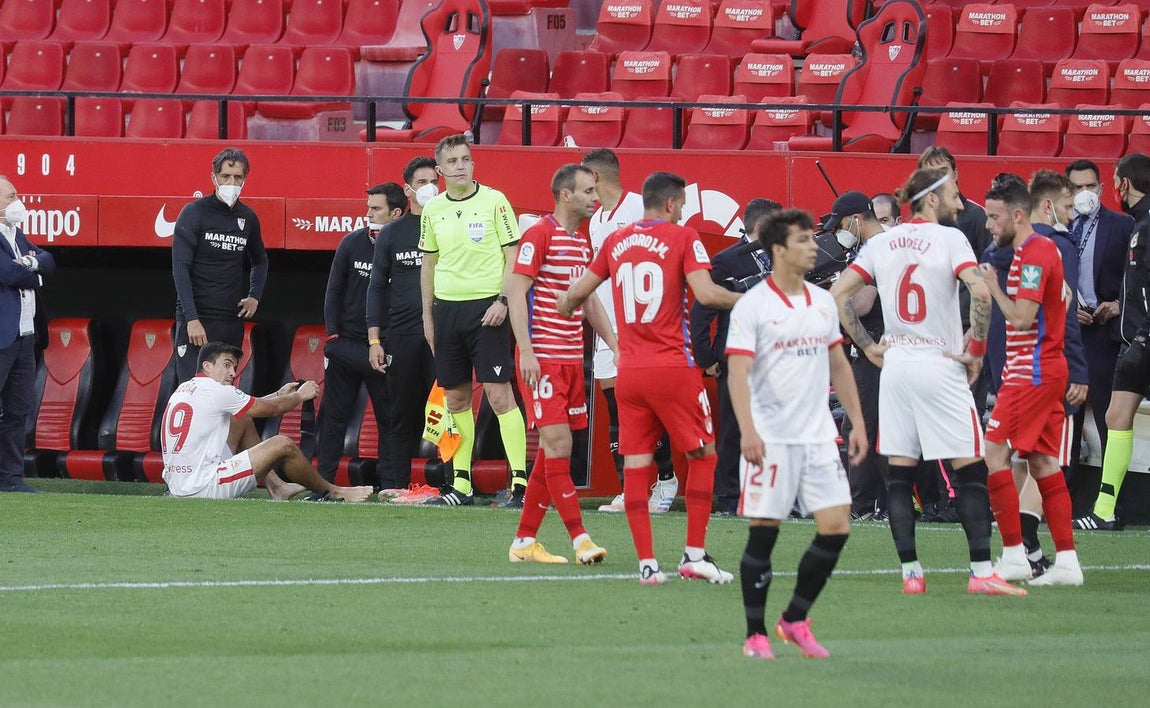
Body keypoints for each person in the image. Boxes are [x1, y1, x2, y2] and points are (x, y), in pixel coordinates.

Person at [830, 167, 1026, 597]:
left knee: (899, 475)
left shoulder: (881, 242)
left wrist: (867, 346)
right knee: (970, 470)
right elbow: (980, 291)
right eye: (954, 193)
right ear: (932, 199)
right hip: (939, 362)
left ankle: (911, 574)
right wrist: (976, 351)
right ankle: (981, 572)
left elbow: (838, 294)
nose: (960, 202)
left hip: (897, 366)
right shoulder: (950, 239)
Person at [560, 171, 742, 585]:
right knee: (703, 455)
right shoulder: (683, 237)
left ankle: (647, 565)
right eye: (681, 207)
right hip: (672, 367)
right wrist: (752, 299)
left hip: (629, 370)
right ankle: (694, 555)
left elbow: (577, 294)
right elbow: (707, 294)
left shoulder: (615, 240)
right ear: (672, 204)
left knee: (637, 465)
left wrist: (564, 305)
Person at [727, 208, 867, 660]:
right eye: (803, 240)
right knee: (764, 533)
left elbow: (838, 364)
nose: (813, 247)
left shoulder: (822, 301)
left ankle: (794, 618)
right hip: (771, 438)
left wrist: (857, 422)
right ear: (779, 250)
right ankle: (755, 634)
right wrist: (748, 431)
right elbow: (738, 373)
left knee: (837, 527)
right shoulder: (753, 306)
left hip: (818, 437)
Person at [980, 171, 1088, 577]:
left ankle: (1013, 557)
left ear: (1018, 216)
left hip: (1033, 371)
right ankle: (1068, 563)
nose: (989, 225)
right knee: (1043, 463)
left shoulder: (1035, 254)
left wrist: (993, 287)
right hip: (1039, 368)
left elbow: (1023, 318)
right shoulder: (1040, 251)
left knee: (994, 453)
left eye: (995, 217)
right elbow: (1061, 300)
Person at [506, 164, 614, 564]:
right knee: (561, 445)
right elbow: (516, 292)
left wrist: (615, 345)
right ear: (565, 195)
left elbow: (590, 300)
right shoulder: (540, 233)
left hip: (570, 360)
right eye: (587, 191)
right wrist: (526, 350)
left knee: (552, 451)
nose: (595, 198)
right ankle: (581, 539)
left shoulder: (582, 242)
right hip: (543, 358)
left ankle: (523, 542)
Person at [419, 134, 527, 507]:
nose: (460, 166)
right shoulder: (433, 209)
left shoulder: (495, 201)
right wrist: (428, 316)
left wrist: (503, 300)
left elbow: (513, 255)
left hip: (487, 310)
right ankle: (461, 485)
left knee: (499, 395)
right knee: (455, 398)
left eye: (465, 159)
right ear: (440, 170)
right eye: (452, 161)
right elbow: (428, 265)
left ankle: (520, 484)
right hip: (447, 311)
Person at [581, 148, 679, 514]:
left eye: (583, 180)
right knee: (616, 410)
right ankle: (630, 490)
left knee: (648, 409)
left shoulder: (640, 209)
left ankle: (667, 479)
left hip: (644, 330)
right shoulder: (595, 220)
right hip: (608, 331)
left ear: (595, 177)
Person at [160, 342, 373, 502]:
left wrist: (279, 394)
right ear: (207, 366)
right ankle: (334, 491)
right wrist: (300, 396)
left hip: (179, 484)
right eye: (226, 365)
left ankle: (277, 487)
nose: (232, 373)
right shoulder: (218, 391)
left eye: (234, 367)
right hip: (204, 487)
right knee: (282, 443)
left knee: (241, 419)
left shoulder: (185, 388)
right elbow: (272, 410)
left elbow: (250, 407)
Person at [314, 182, 407, 498]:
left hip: (384, 349)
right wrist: (333, 337)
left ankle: (390, 487)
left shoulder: (408, 247)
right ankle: (322, 486)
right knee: (332, 419)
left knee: (390, 421)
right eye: (368, 208)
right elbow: (333, 292)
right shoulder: (351, 243)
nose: (369, 214)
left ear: (396, 213)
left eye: (376, 209)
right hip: (347, 345)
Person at [689, 198, 780, 515]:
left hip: (777, 357)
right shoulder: (727, 260)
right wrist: (707, 357)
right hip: (738, 358)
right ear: (762, 227)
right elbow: (702, 310)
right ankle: (729, 496)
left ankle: (771, 492)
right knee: (734, 428)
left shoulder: (786, 259)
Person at [1074, 153, 1150, 530]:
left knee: (1115, 416)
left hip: (1142, 338)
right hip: (1133, 342)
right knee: (1116, 416)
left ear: (1121, 184)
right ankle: (1104, 510)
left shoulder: (1143, 226)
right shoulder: (1138, 224)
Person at [1064, 159, 1135, 519]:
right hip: (1068, 334)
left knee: (1109, 417)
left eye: (1089, 186)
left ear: (1103, 188)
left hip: (1104, 333)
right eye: (1076, 188)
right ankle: (1061, 500)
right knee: (1067, 418)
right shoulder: (1058, 227)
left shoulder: (1122, 225)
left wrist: (1119, 304)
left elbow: (1134, 275)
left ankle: (1110, 502)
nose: (1084, 194)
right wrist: (1066, 309)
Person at [367, 157, 440, 496]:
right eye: (422, 182)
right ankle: (395, 486)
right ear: (408, 190)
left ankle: (455, 485)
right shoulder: (392, 233)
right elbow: (376, 288)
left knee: (448, 411)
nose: (430, 187)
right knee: (400, 413)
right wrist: (374, 340)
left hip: (443, 336)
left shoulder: (448, 224)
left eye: (434, 181)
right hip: (403, 336)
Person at [171, 148, 268, 382]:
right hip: (197, 321)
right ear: (214, 177)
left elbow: (260, 260)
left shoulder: (248, 217)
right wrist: (191, 319)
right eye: (225, 176)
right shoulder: (194, 212)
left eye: (237, 177)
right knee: (192, 390)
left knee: (223, 391)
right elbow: (180, 268)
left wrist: (254, 296)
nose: (231, 183)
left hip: (230, 322)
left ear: (244, 179)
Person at [822, 192, 888, 520]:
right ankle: (881, 503)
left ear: (857, 220)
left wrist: (830, 293)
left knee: (861, 425)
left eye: (842, 226)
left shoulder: (876, 249)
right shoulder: (882, 247)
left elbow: (861, 304)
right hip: (881, 347)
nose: (838, 234)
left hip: (876, 347)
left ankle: (863, 505)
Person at [0, 176, 54, 493]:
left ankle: (10, 478)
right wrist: (34, 275)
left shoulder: (17, 235)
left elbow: (48, 261)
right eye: (11, 197)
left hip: (25, 335)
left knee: (17, 410)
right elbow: (7, 273)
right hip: (2, 336)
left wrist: (31, 262)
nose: (17, 201)